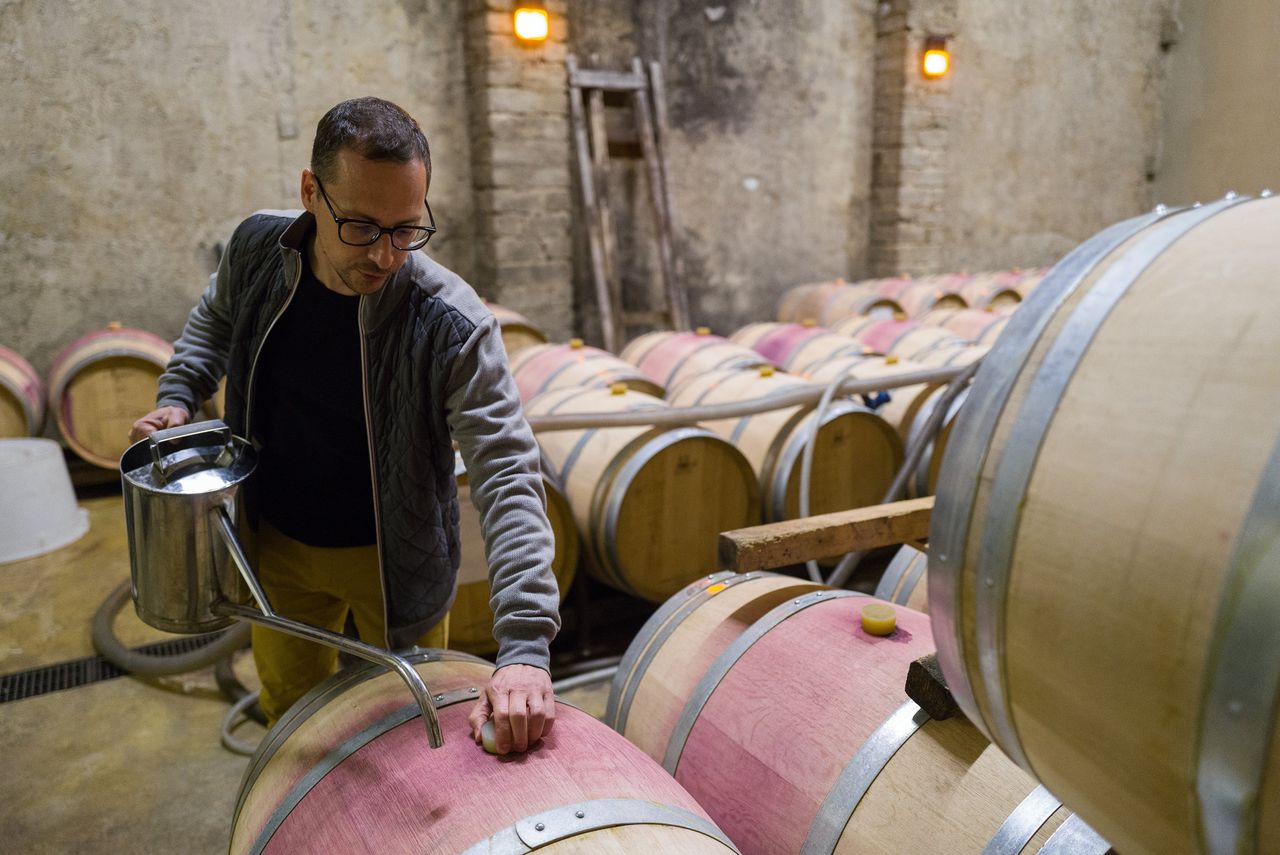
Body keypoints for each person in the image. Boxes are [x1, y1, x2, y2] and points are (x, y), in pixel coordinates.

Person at [130, 96, 560, 755]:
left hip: (394, 565)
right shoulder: (255, 251)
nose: (386, 255)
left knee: (407, 742)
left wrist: (525, 645)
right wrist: (180, 394)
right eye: (360, 226)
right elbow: (212, 321)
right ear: (311, 191)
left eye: (406, 229)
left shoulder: (449, 321)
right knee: (297, 730)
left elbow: (505, 467)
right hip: (275, 548)